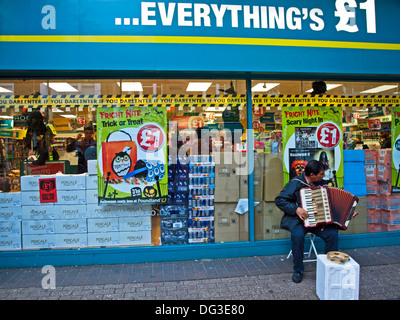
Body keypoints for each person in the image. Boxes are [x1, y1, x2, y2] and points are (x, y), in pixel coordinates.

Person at [275, 160, 357, 283]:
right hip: (300, 221)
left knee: (332, 235)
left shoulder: (323, 184)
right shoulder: (295, 183)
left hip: (319, 222)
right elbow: (280, 200)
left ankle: (330, 267)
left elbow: (336, 205)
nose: (323, 176)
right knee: (297, 236)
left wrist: (349, 213)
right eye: (321, 174)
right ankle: (298, 270)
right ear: (312, 175)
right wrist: (296, 209)